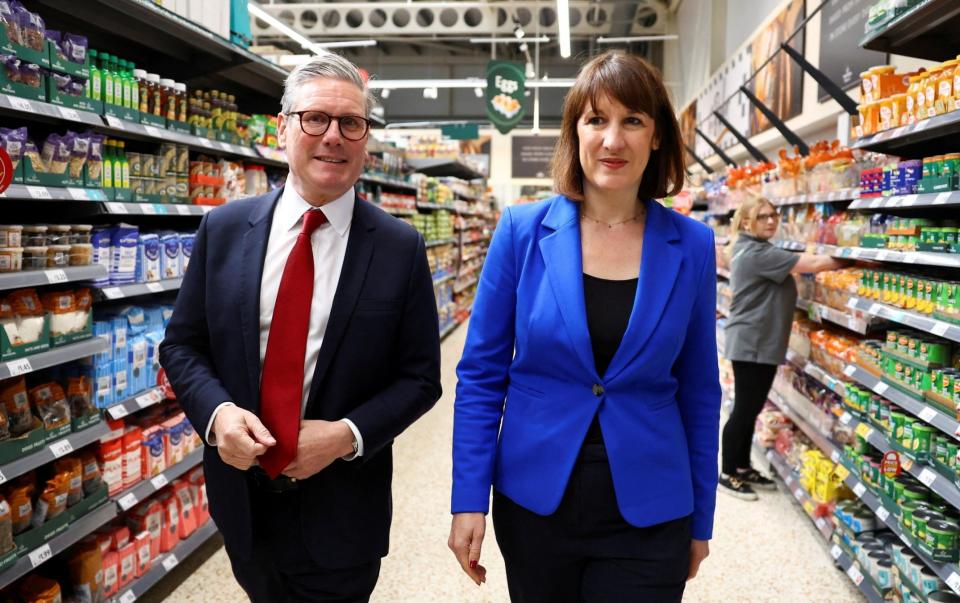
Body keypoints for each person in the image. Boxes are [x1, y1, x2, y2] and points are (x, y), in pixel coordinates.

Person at [159, 53, 441, 602]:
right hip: (241, 505)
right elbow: (183, 345)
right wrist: (218, 418)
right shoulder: (224, 228)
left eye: (351, 123)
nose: (333, 136)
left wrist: (345, 436)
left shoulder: (399, 248)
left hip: (342, 516)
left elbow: (420, 379)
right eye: (316, 118)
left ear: (366, 138)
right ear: (283, 127)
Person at [448, 51, 722, 602]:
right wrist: (468, 497)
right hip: (536, 499)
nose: (613, 141)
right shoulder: (522, 233)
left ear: (658, 137)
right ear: (575, 132)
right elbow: (480, 376)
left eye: (632, 121)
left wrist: (701, 520)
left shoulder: (691, 245)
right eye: (596, 120)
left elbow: (699, 391)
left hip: (651, 505)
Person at [719, 194, 846, 500]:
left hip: (758, 340)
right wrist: (855, 258)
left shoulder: (755, 248)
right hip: (753, 342)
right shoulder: (757, 253)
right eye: (764, 216)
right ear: (748, 222)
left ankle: (742, 466)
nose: (772, 220)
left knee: (749, 409)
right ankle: (727, 473)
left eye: (774, 215)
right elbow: (813, 263)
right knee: (744, 410)